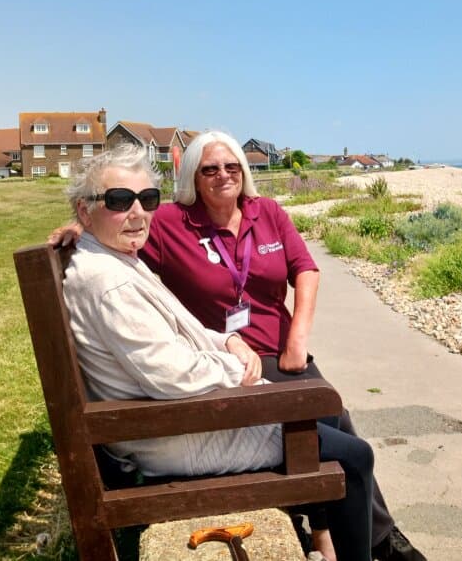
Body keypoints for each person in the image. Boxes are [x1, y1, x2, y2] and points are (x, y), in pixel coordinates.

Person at [53, 131, 425, 561]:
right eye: (119, 200)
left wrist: (255, 341)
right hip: (177, 422)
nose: (136, 212)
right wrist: (239, 371)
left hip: (238, 369)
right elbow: (169, 372)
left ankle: (355, 537)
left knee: (331, 416)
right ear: (193, 176)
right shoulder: (144, 247)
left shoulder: (257, 213)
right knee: (350, 452)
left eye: (146, 199)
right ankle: (364, 541)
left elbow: (302, 270)